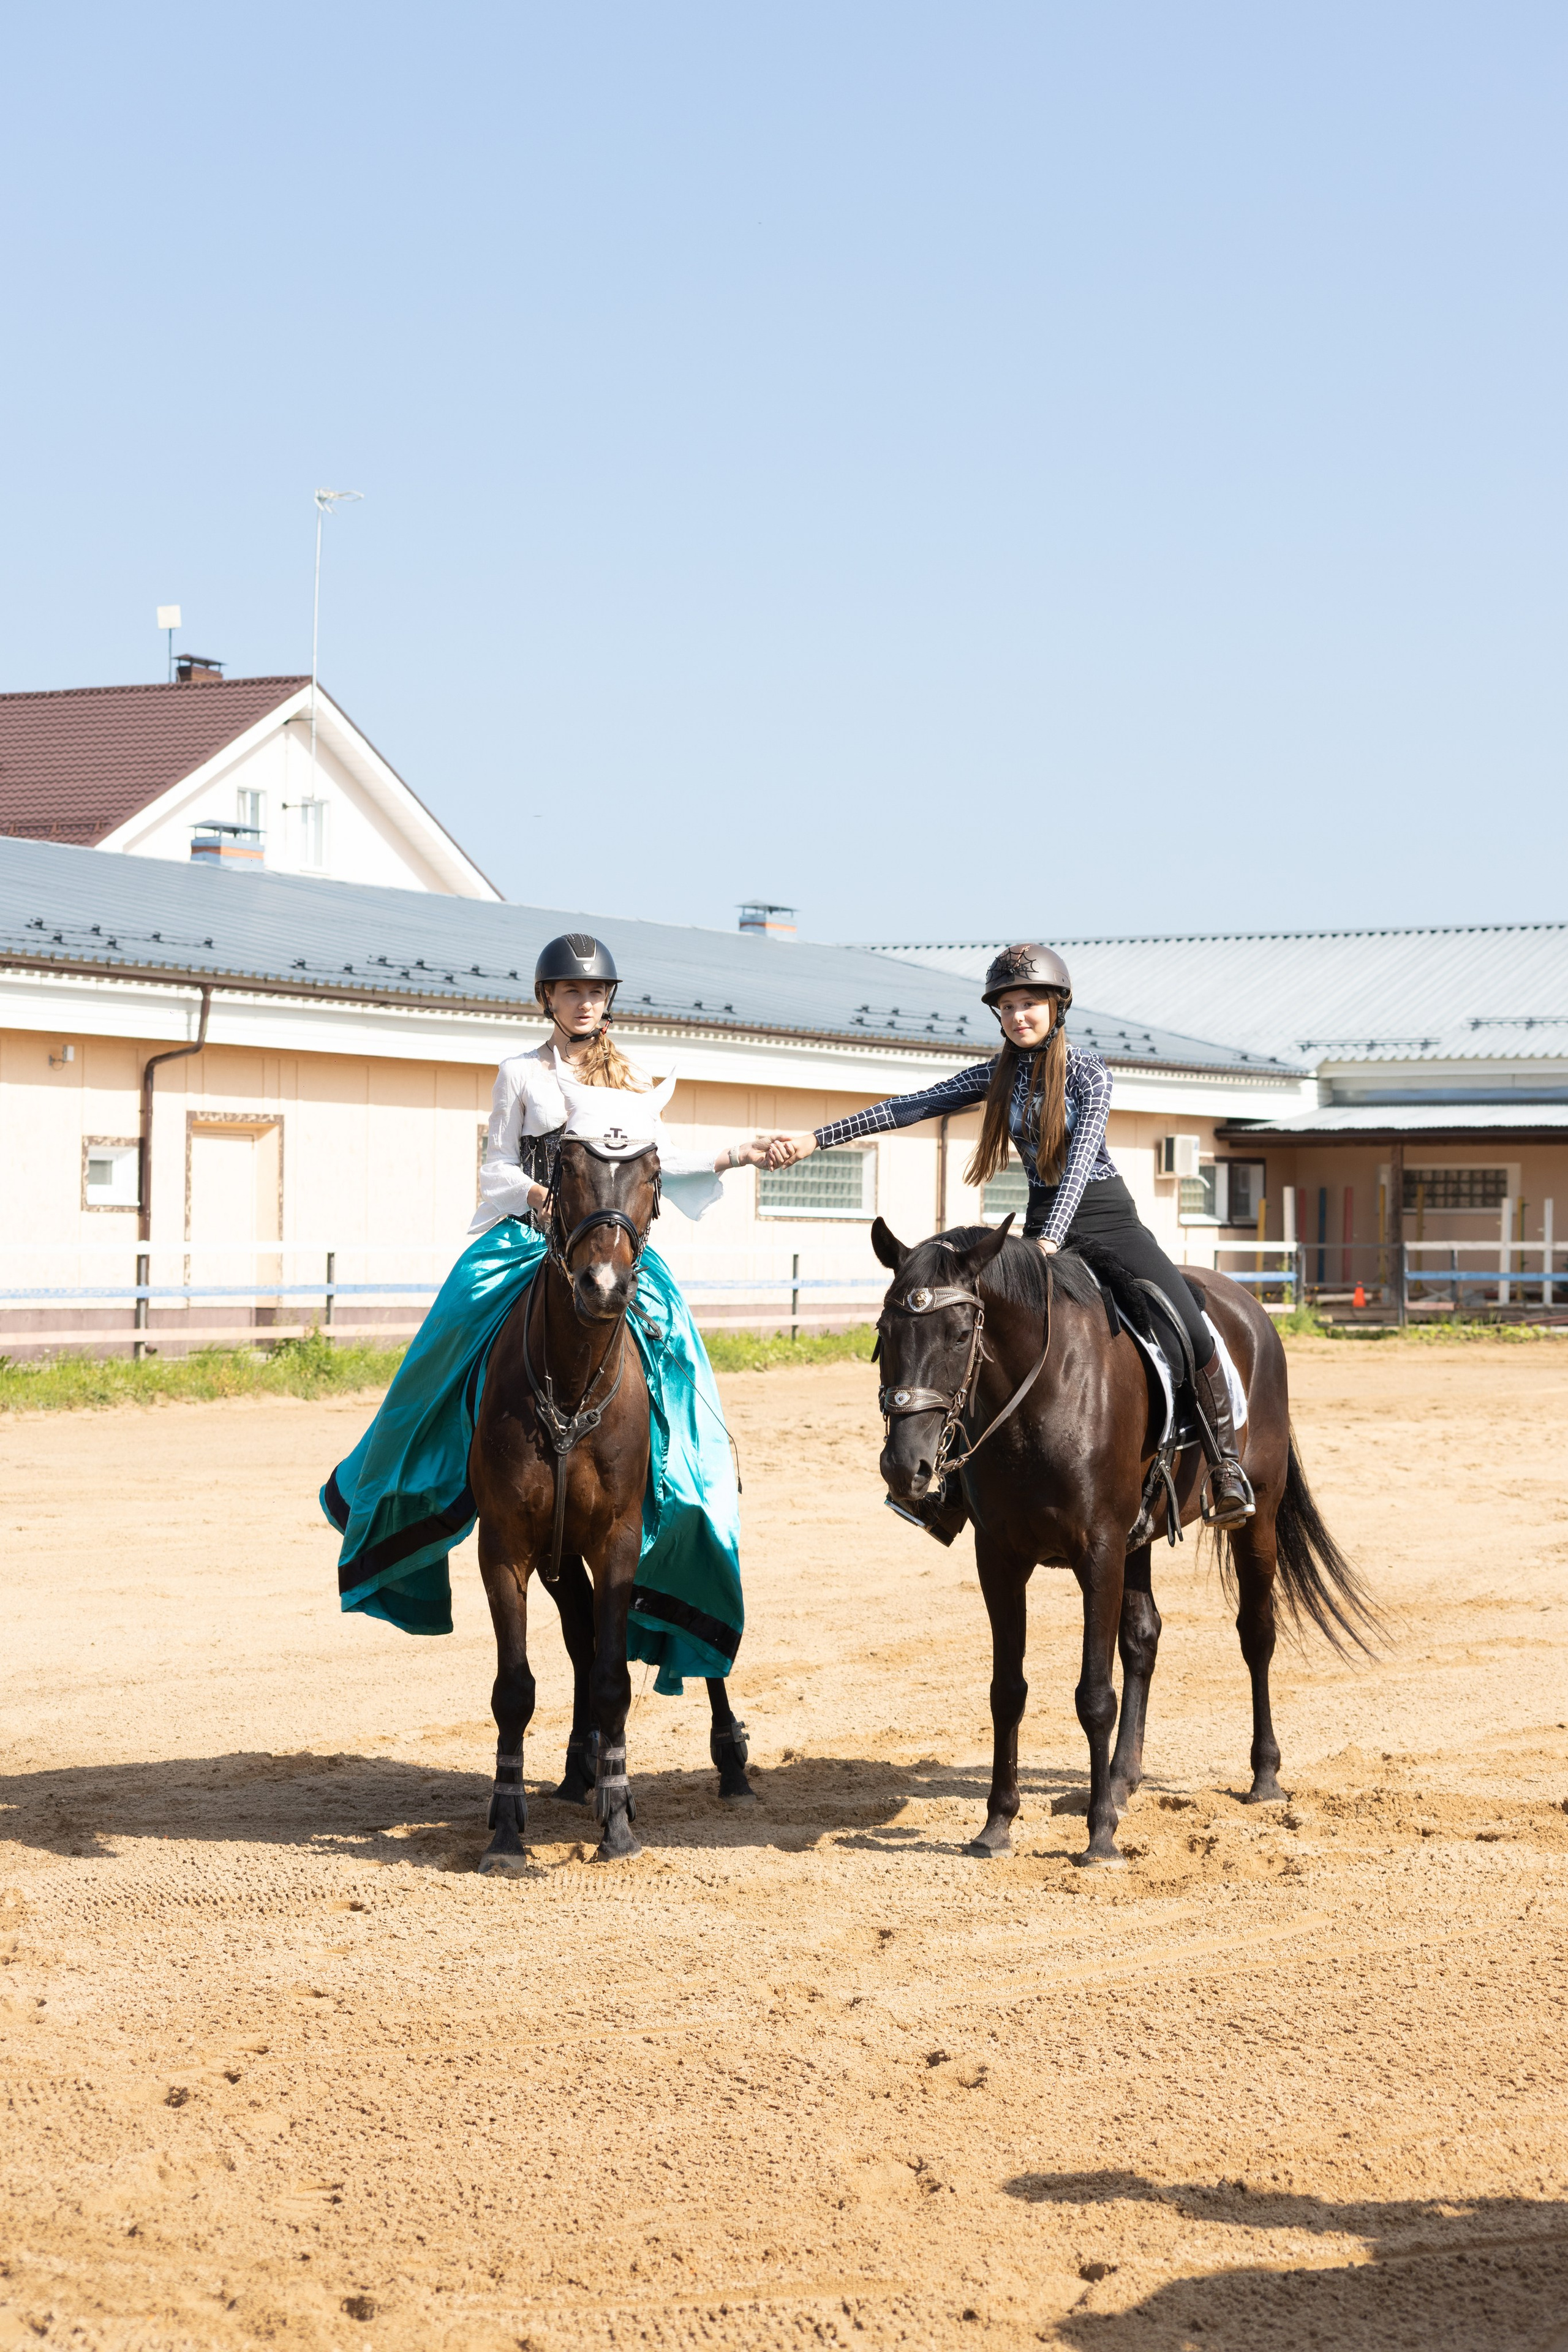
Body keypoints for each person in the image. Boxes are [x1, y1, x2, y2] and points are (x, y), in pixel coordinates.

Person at [322, 932, 775, 1691]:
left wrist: (739, 1153)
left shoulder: (631, 1078)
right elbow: (495, 1163)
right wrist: (539, 1197)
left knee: (674, 1343)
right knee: (448, 1337)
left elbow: (659, 1161)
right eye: (571, 992)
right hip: (527, 1239)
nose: (584, 1002)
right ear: (547, 1000)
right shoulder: (520, 1074)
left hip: (603, 1239)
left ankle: (689, 1479)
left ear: (608, 1002)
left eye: (595, 993)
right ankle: (398, 1468)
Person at [764, 941, 1254, 1527]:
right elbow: (909, 1107)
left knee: (1190, 1323)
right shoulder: (995, 1075)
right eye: (1008, 1006)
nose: (1019, 1015)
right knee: (976, 1342)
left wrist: (1049, 1242)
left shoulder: (1090, 1073)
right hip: (1043, 1221)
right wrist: (815, 1140)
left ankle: (1225, 1465)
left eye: (1030, 1003)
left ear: (1057, 1007)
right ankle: (948, 1492)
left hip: (1105, 1219)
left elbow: (1075, 1170)